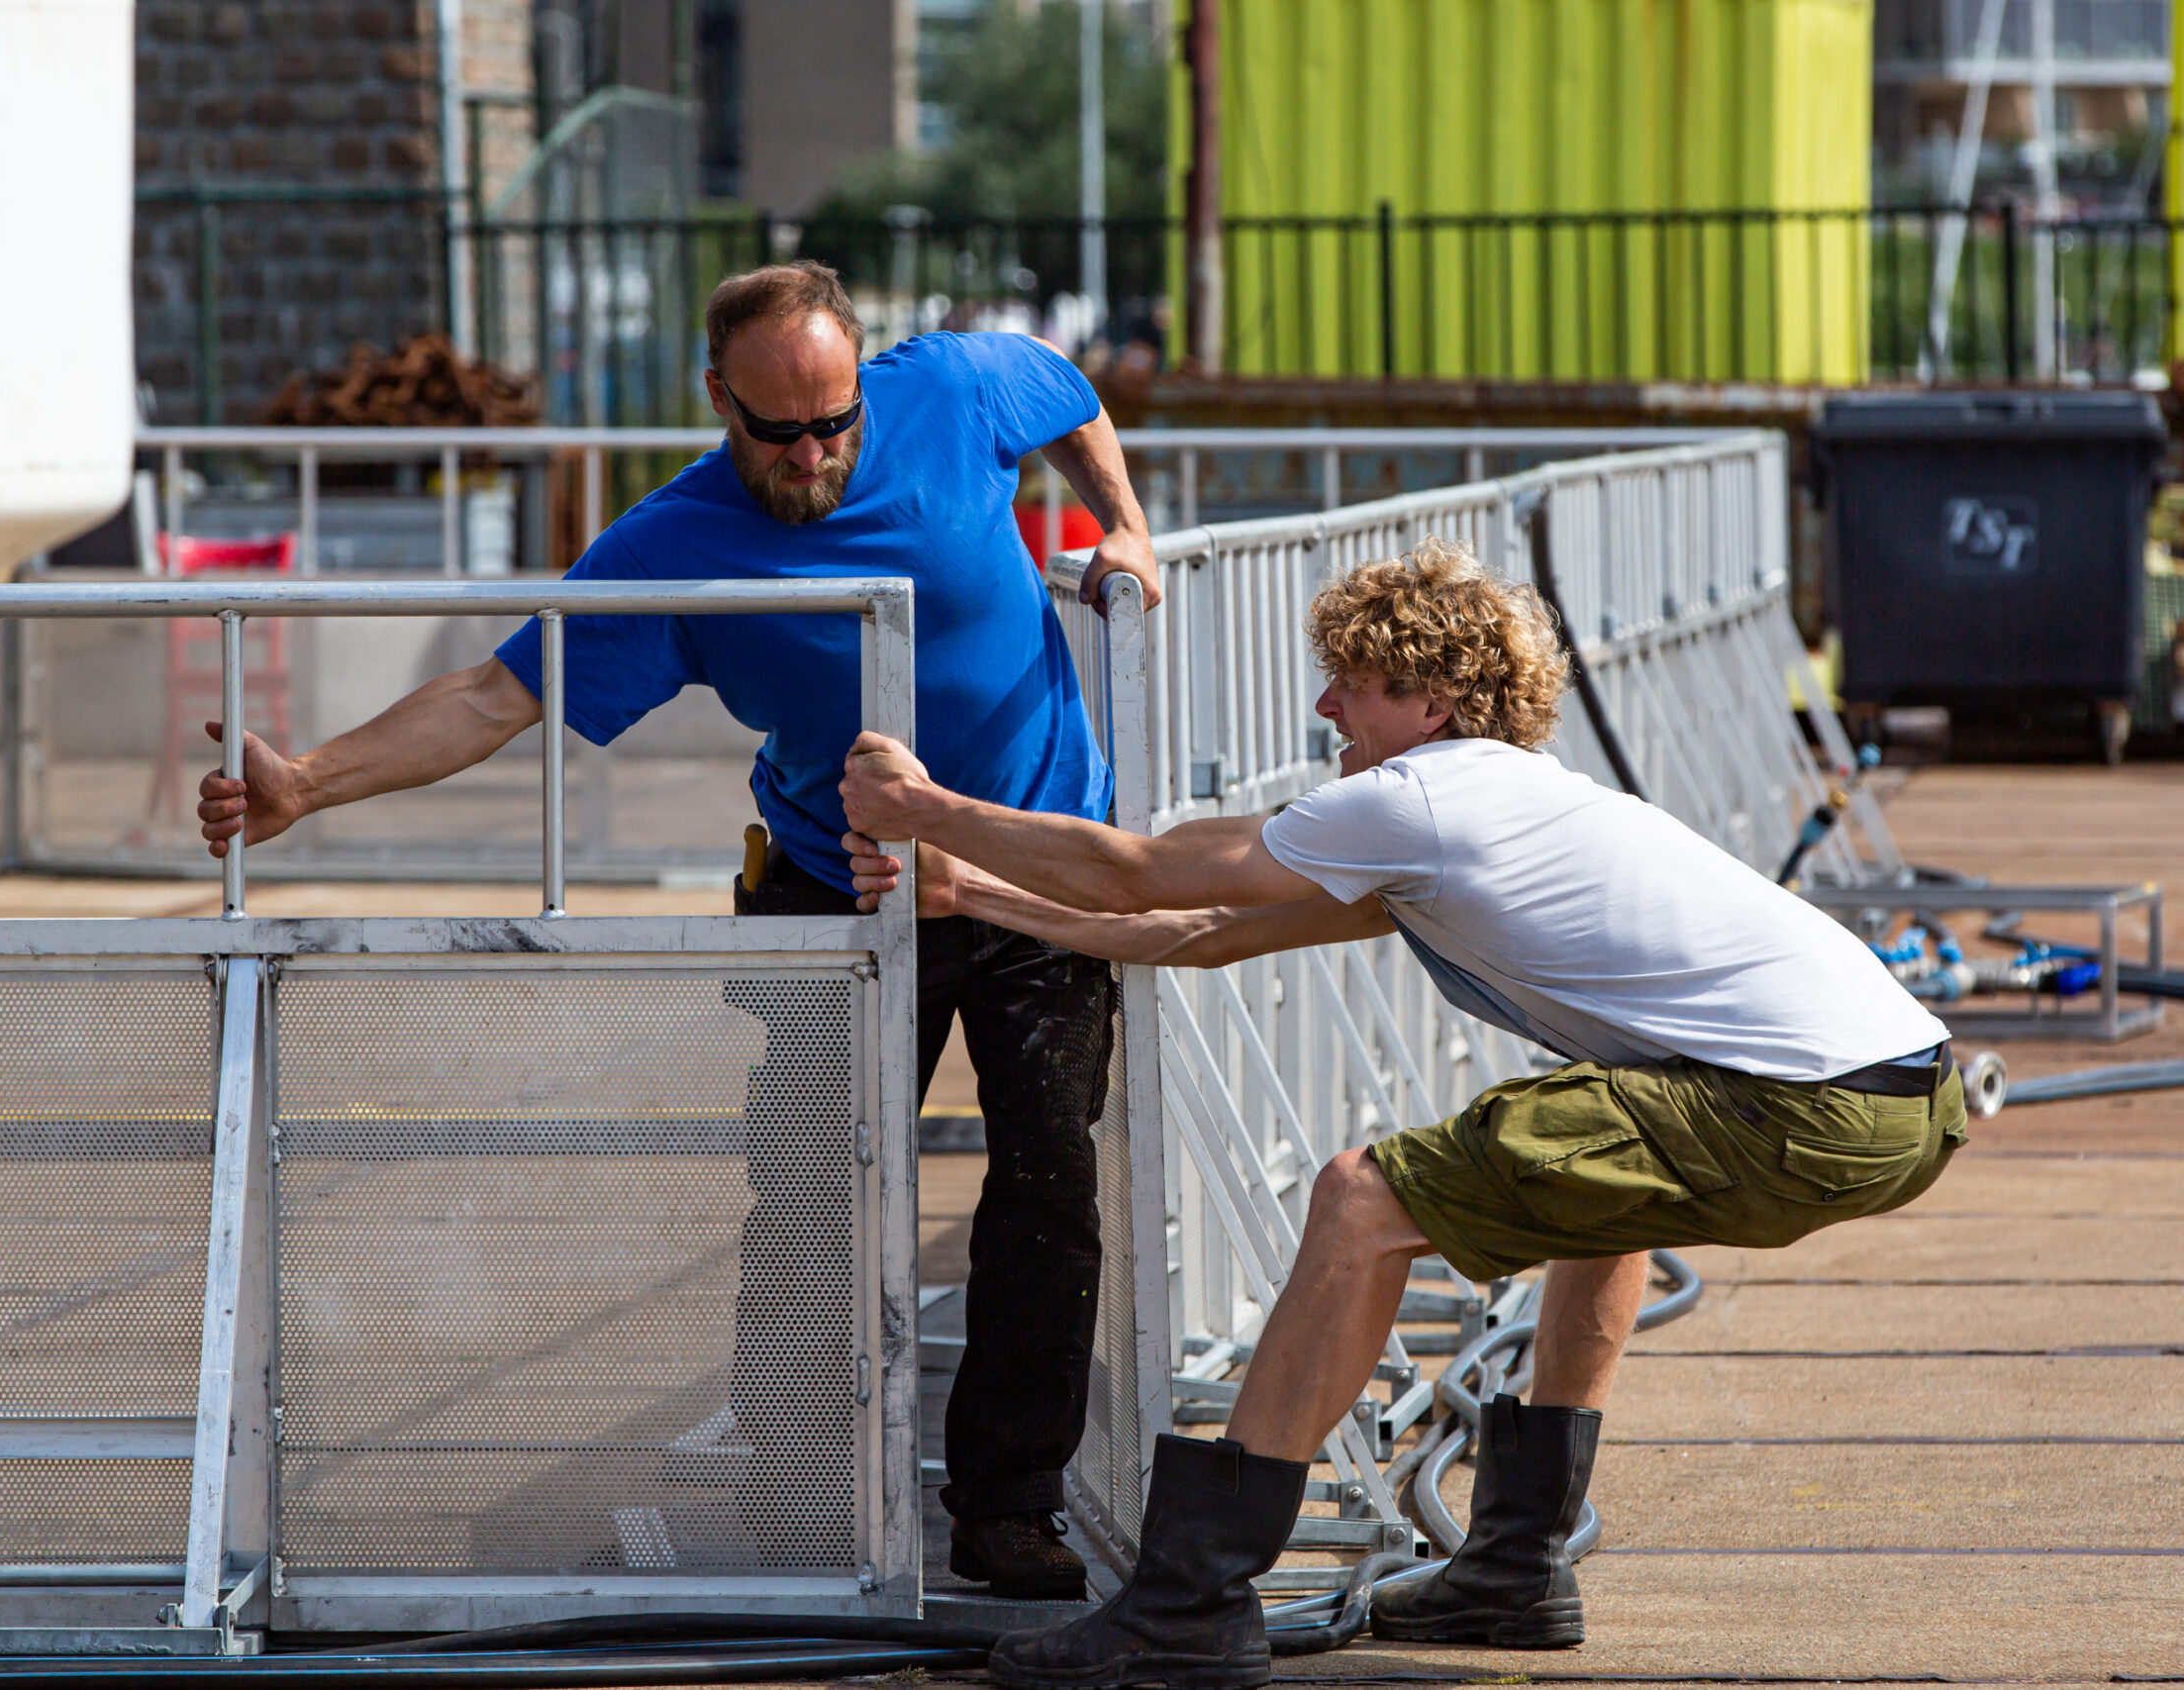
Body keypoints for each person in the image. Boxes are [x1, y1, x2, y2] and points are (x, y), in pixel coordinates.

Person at [837, 538, 1965, 1688]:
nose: (1326, 703)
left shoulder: (1418, 801)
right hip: (1901, 1095)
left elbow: (1140, 871)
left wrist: (922, 805)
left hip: (1811, 1102)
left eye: (1354, 683)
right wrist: (972, 890)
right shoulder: (1494, 805)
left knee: (1359, 1198)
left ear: (1429, 703)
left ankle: (1191, 1599)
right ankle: (1518, 1568)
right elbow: (1197, 934)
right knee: (1599, 1190)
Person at [196, 260, 1163, 1599]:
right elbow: (494, 694)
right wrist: (307, 783)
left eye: (837, 423)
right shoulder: (673, 544)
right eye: (782, 431)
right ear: (719, 401)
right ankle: (800, 1495)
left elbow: (1068, 396)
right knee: (817, 1202)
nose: (817, 453)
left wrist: (1125, 527)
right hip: (839, 883)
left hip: (1029, 857)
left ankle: (1010, 1504)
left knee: (1050, 1181)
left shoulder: (947, 387)